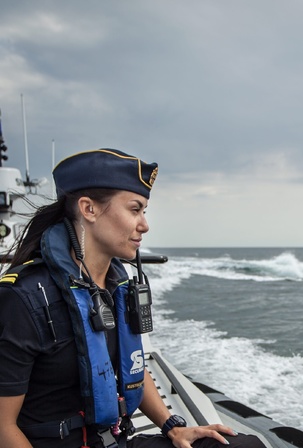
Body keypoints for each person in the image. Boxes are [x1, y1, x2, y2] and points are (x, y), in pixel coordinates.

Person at [0, 149, 265, 448]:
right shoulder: (24, 299)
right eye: (134, 209)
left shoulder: (119, 285)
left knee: (243, 445)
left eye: (144, 211)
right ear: (89, 209)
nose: (144, 224)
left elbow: (132, 366)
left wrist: (173, 427)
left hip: (114, 442)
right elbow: (2, 427)